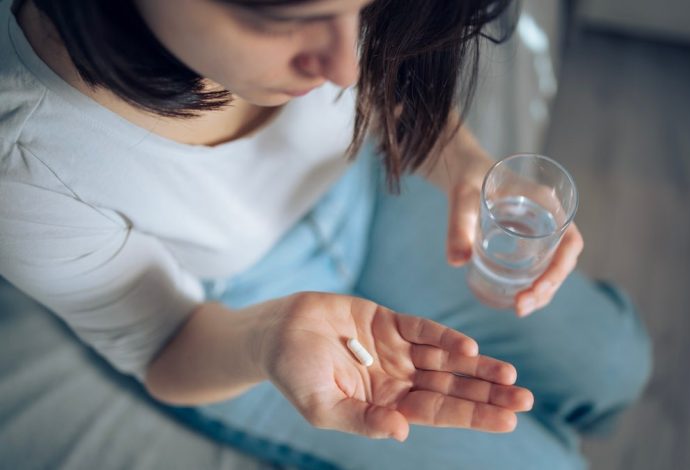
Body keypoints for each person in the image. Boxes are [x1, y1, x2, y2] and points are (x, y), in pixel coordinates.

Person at [0, 0, 652, 468]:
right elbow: (165, 348)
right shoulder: (29, 164)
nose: (343, 68)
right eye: (285, 19)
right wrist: (268, 337)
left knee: (614, 361)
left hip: (364, 193)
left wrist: (463, 164)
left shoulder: (338, 45)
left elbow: (384, 87)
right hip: (233, 315)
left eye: (365, 11)